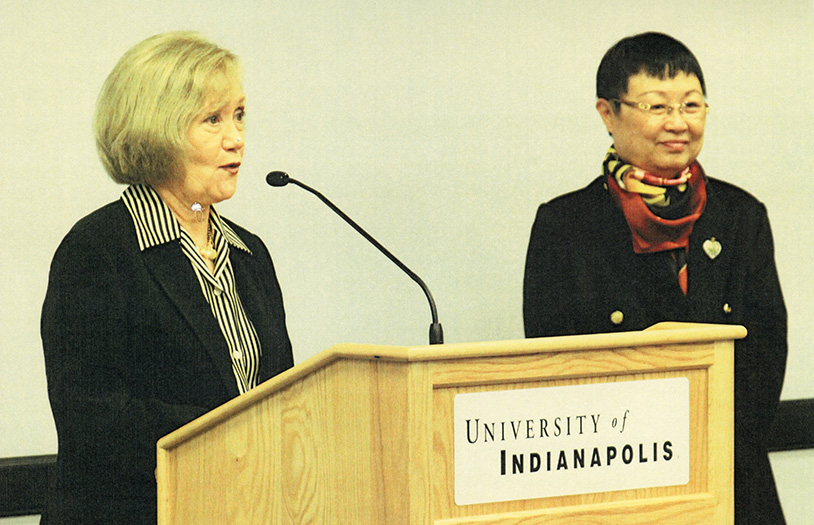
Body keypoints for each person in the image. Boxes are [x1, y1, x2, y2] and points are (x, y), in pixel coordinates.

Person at [523, 32, 787, 524]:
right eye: (656, 106)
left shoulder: (740, 216)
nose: (677, 123)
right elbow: (552, 366)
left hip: (731, 479)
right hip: (616, 485)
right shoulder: (566, 226)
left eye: (691, 104)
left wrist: (712, 452)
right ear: (608, 113)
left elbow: (766, 353)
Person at [41, 32, 294, 523]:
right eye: (213, 120)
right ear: (157, 131)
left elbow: (279, 393)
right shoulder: (97, 252)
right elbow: (94, 420)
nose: (236, 138)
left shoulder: (250, 255)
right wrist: (238, 439)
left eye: (239, 115)